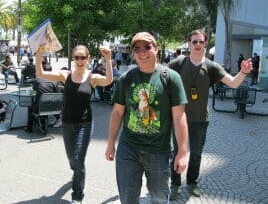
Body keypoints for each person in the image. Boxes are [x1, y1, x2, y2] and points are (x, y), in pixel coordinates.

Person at [168, 29, 253, 200]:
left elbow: (233, 83)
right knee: (177, 151)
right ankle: (175, 184)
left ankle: (192, 182)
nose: (198, 45)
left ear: (205, 43)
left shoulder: (212, 67)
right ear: (189, 43)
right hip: (179, 118)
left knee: (197, 153)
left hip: (200, 119)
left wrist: (243, 72)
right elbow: (162, 78)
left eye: (201, 41)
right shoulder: (179, 63)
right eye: (194, 42)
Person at [105, 32, 189, 204]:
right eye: (138, 49)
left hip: (159, 150)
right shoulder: (126, 79)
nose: (142, 52)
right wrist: (110, 143)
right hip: (128, 148)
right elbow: (117, 112)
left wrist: (182, 152)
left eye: (147, 47)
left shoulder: (171, 78)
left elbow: (179, 116)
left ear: (156, 49)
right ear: (133, 53)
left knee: (159, 199)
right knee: (127, 198)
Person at [35, 44, 113, 204]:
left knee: (78, 159)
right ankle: (77, 172)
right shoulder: (66, 75)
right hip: (67, 123)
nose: (79, 60)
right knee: (72, 159)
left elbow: (109, 80)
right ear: (73, 58)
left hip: (85, 124)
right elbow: (40, 73)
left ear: (88, 58)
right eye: (77, 57)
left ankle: (77, 196)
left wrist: (108, 60)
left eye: (83, 57)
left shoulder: (92, 78)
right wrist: (39, 55)